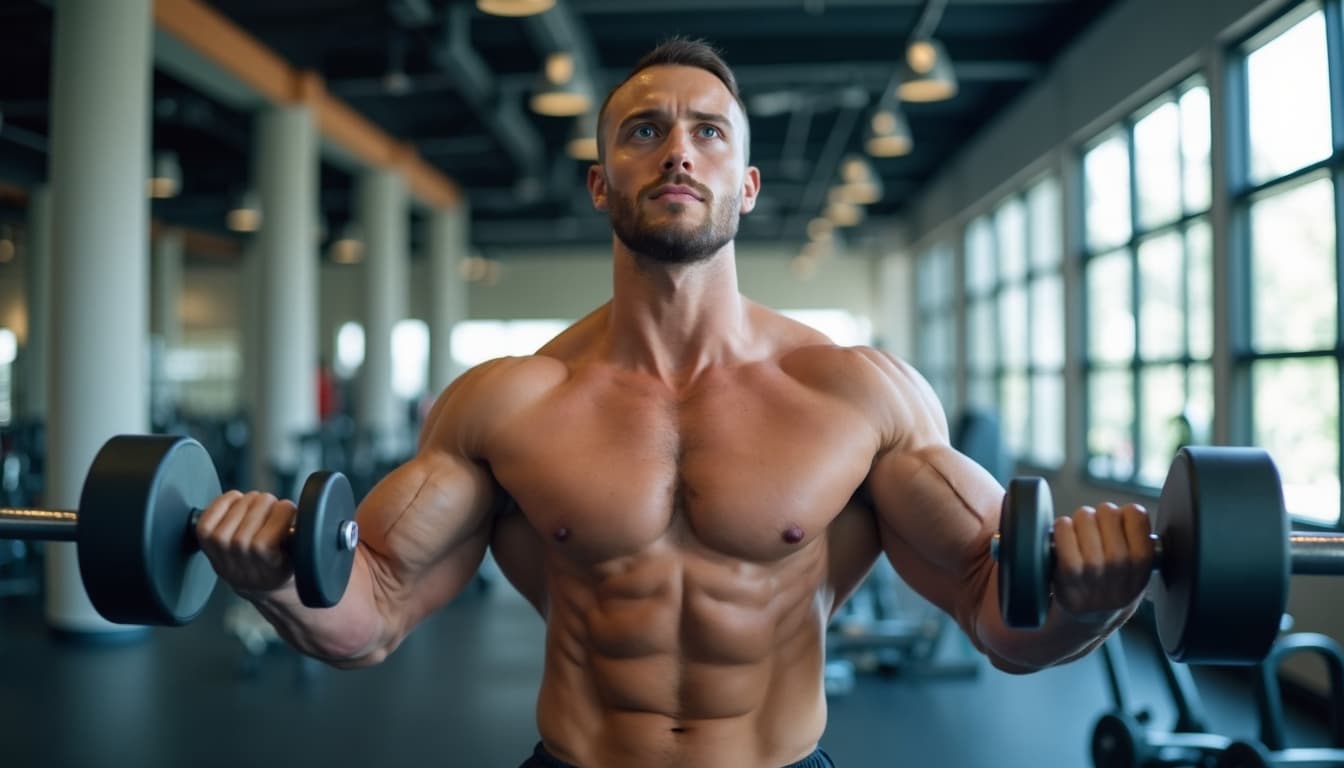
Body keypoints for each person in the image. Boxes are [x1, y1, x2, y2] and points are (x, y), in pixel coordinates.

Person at [196, 38, 1156, 768]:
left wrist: (1094, 602)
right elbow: (368, 618)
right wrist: (272, 578)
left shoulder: (859, 395)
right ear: (600, 183)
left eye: (708, 131)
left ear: (745, 184)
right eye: (644, 130)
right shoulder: (507, 403)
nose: (676, 153)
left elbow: (1003, 617)